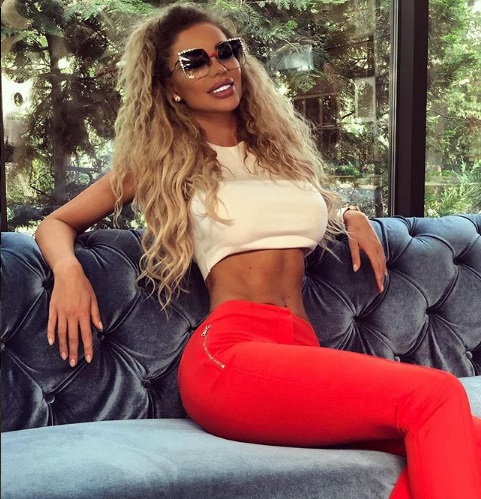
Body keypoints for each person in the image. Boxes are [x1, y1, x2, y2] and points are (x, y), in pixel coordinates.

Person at [34, 4, 481, 498]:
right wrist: (68, 272)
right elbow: (57, 222)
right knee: (437, 394)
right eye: (194, 61)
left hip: (300, 350)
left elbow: (304, 208)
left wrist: (350, 213)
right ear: (169, 85)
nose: (219, 67)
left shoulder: (280, 157)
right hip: (232, 354)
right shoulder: (161, 163)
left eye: (226, 52)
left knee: (469, 439)